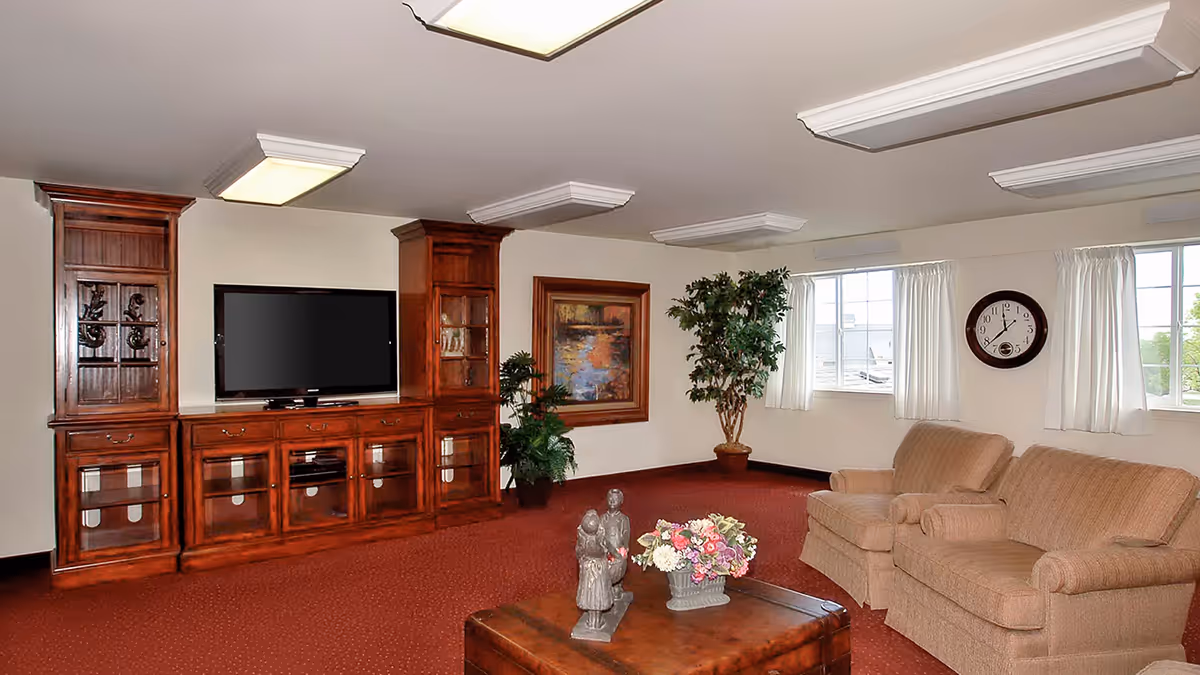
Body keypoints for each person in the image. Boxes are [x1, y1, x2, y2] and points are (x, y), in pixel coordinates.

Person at [575, 509, 613, 630]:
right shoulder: (600, 540)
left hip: (588, 569)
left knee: (590, 596)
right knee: (597, 597)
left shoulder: (582, 540)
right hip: (599, 569)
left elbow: (578, 553)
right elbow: (609, 550)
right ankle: (596, 621)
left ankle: (593, 622)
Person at [599, 488, 630, 602]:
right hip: (606, 550)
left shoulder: (623, 519)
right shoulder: (603, 518)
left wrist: (625, 548)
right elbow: (599, 534)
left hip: (618, 549)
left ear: (621, 502)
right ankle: (608, 587)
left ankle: (617, 586)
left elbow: (626, 534)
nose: (612, 502)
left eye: (615, 500)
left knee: (618, 569)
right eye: (610, 499)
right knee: (607, 569)